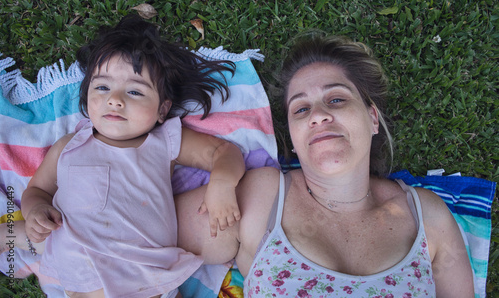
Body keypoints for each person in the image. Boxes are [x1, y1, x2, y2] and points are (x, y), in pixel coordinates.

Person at [175, 34, 474, 297]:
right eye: (302, 108)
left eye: (336, 99)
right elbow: (138, 238)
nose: (317, 116)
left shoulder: (427, 215)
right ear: (292, 139)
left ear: (372, 118)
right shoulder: (261, 198)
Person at [20, 15, 245, 298]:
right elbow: (37, 190)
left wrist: (223, 183)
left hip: (149, 284)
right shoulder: (68, 146)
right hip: (78, 281)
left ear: (162, 110)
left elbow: (223, 152)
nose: (115, 99)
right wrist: (36, 210)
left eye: (135, 91)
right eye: (102, 87)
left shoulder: (165, 141)